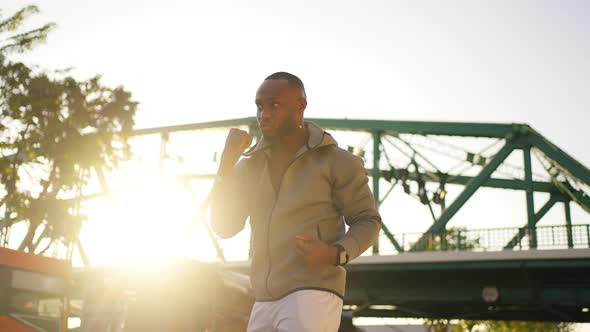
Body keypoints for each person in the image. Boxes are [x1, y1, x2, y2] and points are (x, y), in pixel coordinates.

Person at [210, 72, 381, 332]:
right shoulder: (249, 167)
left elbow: (368, 220)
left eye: (275, 105)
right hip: (264, 299)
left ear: (301, 106)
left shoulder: (336, 160)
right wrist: (226, 165)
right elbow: (225, 227)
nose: (264, 114)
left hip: (312, 292)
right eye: (259, 106)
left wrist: (334, 253)